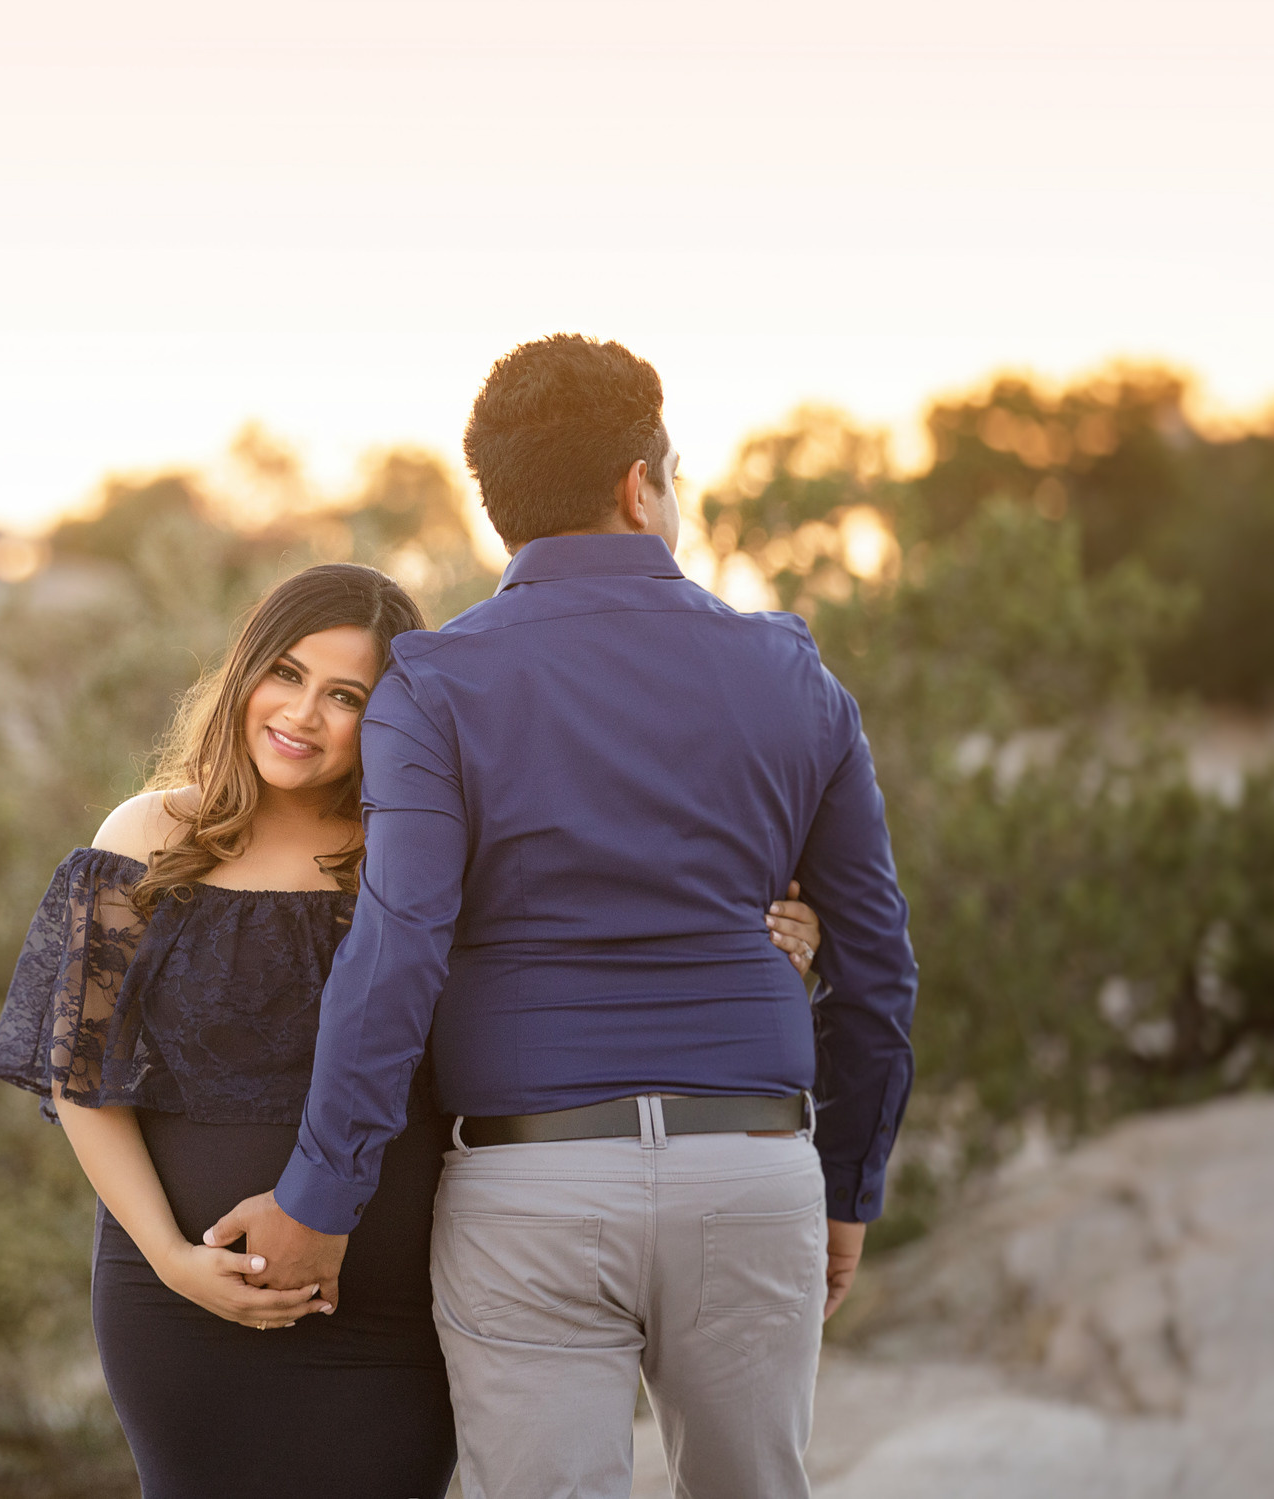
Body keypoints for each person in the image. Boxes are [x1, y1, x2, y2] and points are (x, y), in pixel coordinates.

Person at [211, 336, 918, 1499]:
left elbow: (396, 954)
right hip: (750, 1171)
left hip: (532, 1186)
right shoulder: (794, 676)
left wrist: (319, 1197)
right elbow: (877, 968)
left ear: (502, 512)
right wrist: (847, 1187)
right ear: (642, 486)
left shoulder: (433, 687)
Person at [0, 561, 829, 1499]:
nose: (303, 714)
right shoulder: (148, 835)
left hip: (393, 1311)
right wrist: (172, 1260)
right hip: (179, 1302)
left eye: (344, 695)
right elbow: (81, 1074)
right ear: (245, 673)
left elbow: (586, 946)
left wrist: (764, 940)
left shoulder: (419, 850)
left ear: (385, 719)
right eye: (287, 673)